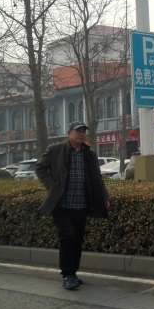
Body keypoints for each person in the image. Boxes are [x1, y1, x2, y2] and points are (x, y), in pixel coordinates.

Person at [35, 121, 110, 290]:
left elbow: (97, 177)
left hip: (81, 204)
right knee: (68, 237)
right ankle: (67, 274)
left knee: (77, 239)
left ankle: (73, 273)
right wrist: (52, 186)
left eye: (83, 131)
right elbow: (40, 168)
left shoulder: (89, 154)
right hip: (61, 204)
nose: (81, 134)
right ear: (69, 133)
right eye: (77, 131)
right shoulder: (56, 150)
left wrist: (104, 196)